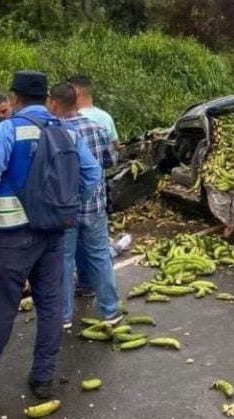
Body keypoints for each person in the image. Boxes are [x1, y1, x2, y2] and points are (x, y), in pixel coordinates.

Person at [0, 71, 101, 399]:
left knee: (2, 305)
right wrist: (68, 205)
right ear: (46, 98)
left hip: (14, 234)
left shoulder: (9, 129)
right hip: (54, 231)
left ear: (14, 99)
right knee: (51, 302)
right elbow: (92, 173)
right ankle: (43, 377)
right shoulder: (67, 131)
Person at [48, 83, 123, 329]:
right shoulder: (97, 128)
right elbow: (111, 161)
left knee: (65, 260)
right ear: (77, 101)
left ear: (54, 103)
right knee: (100, 256)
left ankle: (64, 317)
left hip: (65, 209)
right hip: (95, 206)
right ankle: (111, 312)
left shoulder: (53, 132)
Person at [65, 74, 131, 296]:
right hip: (96, 196)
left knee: (72, 251)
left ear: (76, 93)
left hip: (69, 199)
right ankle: (109, 306)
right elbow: (115, 151)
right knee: (99, 251)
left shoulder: (64, 121)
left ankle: (83, 283)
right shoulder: (105, 118)